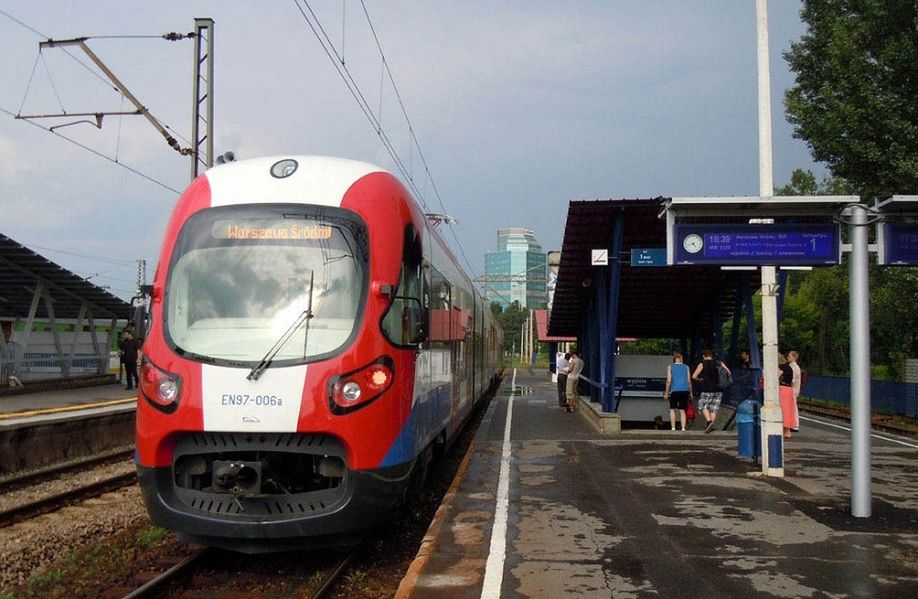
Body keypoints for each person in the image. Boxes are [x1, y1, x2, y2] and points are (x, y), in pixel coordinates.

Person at [692, 348, 730, 434]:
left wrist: (699, 379)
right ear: (712, 356)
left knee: (702, 405)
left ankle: (709, 422)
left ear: (703, 356)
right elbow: (728, 372)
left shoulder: (702, 364)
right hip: (718, 389)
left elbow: (694, 376)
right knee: (713, 408)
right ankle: (711, 426)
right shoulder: (719, 363)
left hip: (707, 388)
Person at [664, 350, 693, 431]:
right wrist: (691, 392)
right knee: (682, 410)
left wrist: (666, 393)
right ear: (681, 357)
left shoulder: (670, 367)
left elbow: (669, 381)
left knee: (672, 409)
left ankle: (673, 428)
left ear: (674, 358)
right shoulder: (686, 367)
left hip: (674, 390)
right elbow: (689, 381)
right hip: (685, 389)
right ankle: (683, 428)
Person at [778, 354, 799, 440]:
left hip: (782, 389)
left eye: (789, 356)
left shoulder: (781, 368)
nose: (788, 357)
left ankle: (784, 431)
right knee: (788, 410)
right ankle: (787, 431)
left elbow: (777, 376)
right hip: (789, 389)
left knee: (782, 410)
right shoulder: (789, 368)